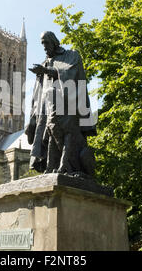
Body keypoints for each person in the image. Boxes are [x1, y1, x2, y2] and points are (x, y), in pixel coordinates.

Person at [25, 31, 96, 178]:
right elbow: (39, 91)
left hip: (67, 106)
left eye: (46, 43)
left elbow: (70, 73)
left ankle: (68, 168)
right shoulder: (46, 61)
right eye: (42, 44)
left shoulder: (71, 55)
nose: (44, 47)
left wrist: (45, 70)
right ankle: (51, 168)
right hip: (47, 107)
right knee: (49, 137)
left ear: (54, 42)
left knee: (68, 136)